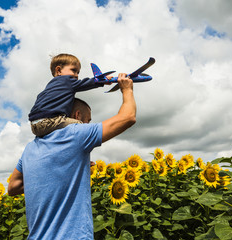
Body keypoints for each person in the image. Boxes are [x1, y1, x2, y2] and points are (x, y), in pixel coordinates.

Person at [8, 73, 136, 239]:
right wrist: (127, 90)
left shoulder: (30, 148)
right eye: (88, 120)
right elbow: (128, 117)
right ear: (76, 116)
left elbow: (12, 187)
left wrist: (64, 175)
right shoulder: (76, 134)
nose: (89, 124)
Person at [29, 53, 106, 137]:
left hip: (34, 125)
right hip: (49, 121)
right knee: (81, 126)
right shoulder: (66, 81)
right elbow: (83, 84)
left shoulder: (50, 86)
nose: (76, 75)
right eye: (73, 70)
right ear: (58, 71)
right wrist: (100, 81)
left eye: (78, 72)